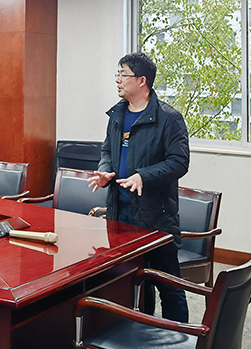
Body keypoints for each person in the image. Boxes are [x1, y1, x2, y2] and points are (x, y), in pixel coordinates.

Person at [88, 52, 189, 322]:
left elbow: (179, 162)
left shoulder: (169, 118)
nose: (118, 80)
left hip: (155, 217)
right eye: (118, 74)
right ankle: (142, 329)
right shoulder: (117, 114)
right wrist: (105, 170)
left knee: (168, 285)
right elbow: (107, 150)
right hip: (119, 213)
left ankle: (179, 336)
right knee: (130, 280)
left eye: (123, 74)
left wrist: (143, 176)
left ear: (142, 80)